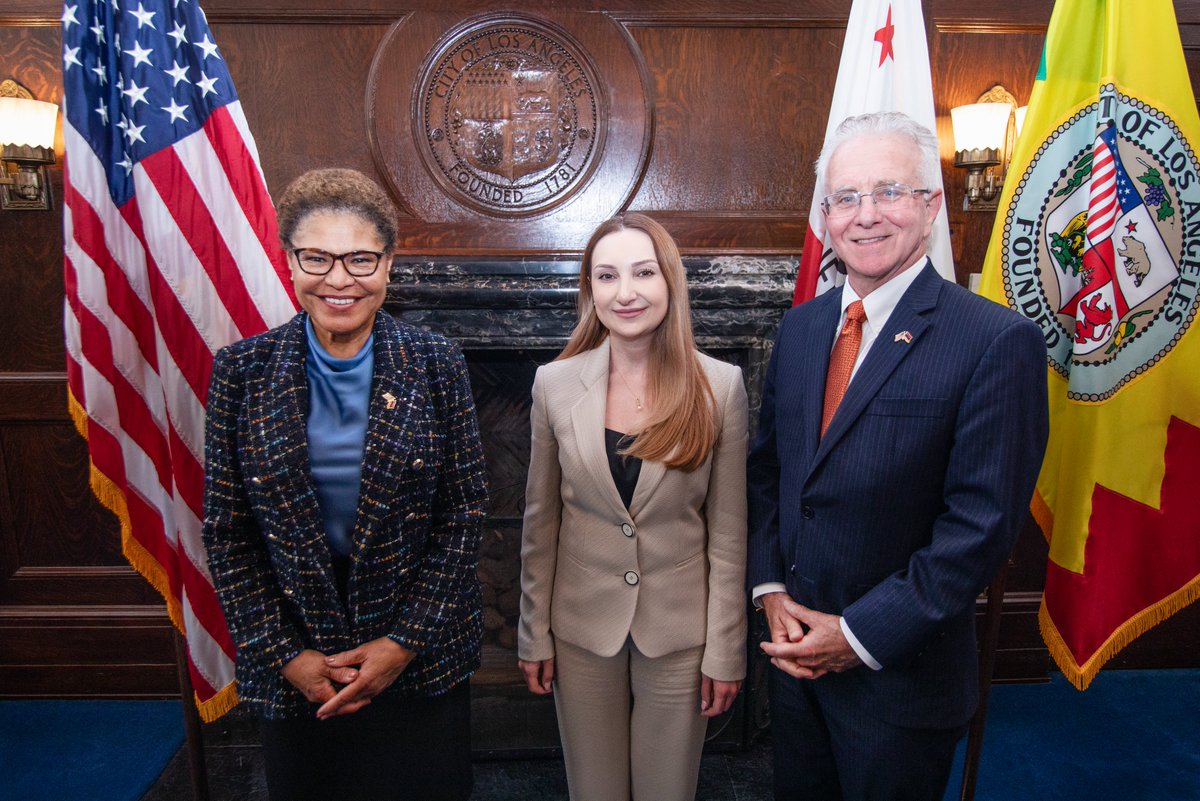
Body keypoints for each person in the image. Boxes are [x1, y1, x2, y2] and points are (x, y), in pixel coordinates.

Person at [747, 111, 1049, 801]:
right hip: (793, 670)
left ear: (931, 204)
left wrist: (855, 635)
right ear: (825, 215)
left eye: (890, 191)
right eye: (846, 197)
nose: (866, 215)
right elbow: (771, 472)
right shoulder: (802, 328)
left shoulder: (995, 340)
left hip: (900, 683)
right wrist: (770, 591)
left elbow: (980, 526)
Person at [201, 168, 487, 801]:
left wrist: (402, 643)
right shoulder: (241, 372)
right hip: (297, 656)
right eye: (317, 258)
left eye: (359, 258)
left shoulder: (436, 362)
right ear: (290, 261)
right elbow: (227, 534)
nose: (338, 279)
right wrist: (287, 655)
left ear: (387, 263)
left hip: (420, 654)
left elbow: (463, 515)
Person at [517, 212, 748, 801]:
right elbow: (540, 524)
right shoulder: (554, 383)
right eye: (607, 276)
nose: (625, 293)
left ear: (670, 281)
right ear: (590, 291)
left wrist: (726, 649)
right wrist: (532, 634)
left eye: (643, 273)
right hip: (579, 629)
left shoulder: (718, 387)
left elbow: (728, 536)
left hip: (679, 633)